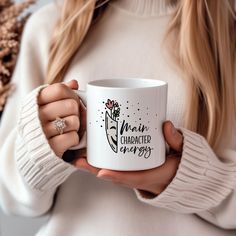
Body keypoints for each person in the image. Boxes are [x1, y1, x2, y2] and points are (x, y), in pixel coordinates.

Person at [0, 0, 236, 235]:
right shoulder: (51, 25)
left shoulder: (227, 30)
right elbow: (8, 195)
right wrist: (40, 146)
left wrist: (192, 179)